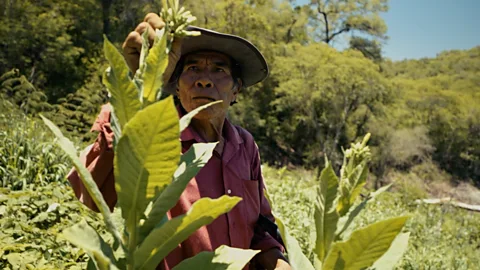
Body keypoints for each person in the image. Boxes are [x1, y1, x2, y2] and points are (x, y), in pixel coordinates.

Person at [67, 13, 290, 270]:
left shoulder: (245, 146)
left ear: (236, 89)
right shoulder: (156, 136)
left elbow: (262, 225)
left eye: (219, 69)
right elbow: (93, 192)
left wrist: (278, 261)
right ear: (175, 86)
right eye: (192, 68)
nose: (204, 79)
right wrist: (141, 83)